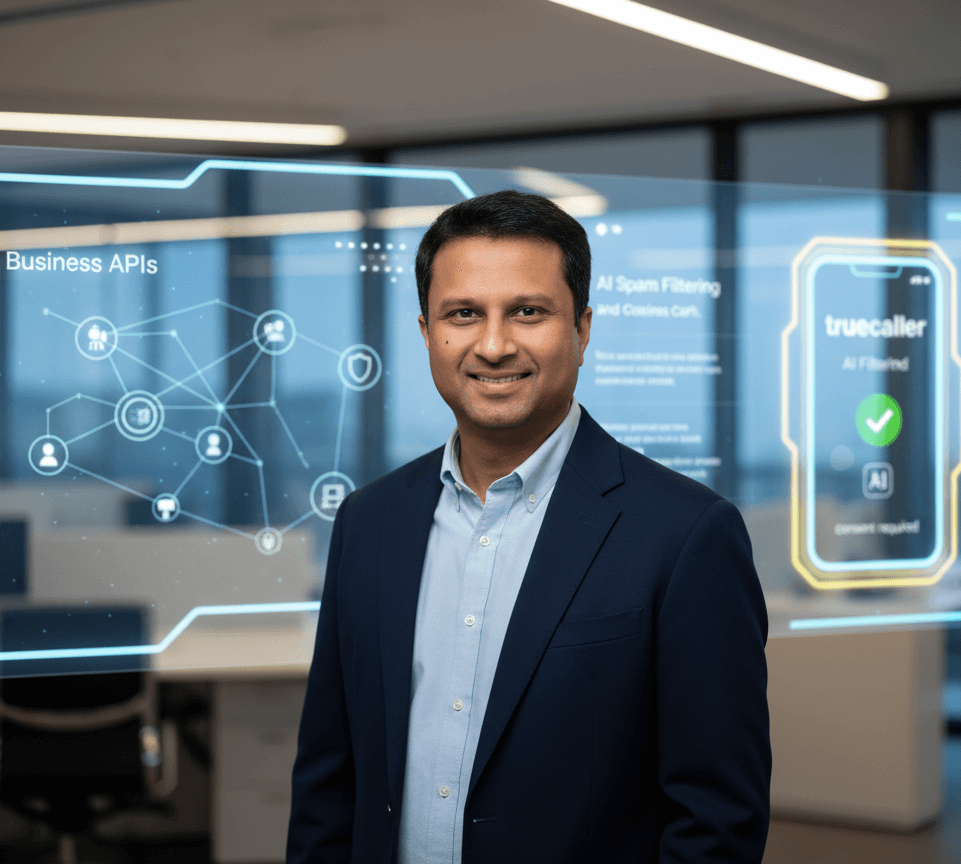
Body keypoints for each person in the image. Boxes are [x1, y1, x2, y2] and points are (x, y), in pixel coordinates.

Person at [288, 190, 770, 864]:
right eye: (463, 314)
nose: (493, 345)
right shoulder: (369, 522)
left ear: (583, 329)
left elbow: (717, 819)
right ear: (426, 332)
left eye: (528, 312)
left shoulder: (687, 535)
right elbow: (328, 782)